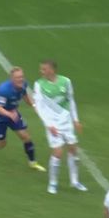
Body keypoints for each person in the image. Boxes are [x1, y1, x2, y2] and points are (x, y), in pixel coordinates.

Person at [33, 60, 87, 194]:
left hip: (66, 121)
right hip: (52, 124)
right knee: (57, 152)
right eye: (41, 69)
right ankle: (53, 183)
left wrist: (76, 120)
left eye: (44, 69)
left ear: (52, 70)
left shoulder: (66, 82)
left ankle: (75, 181)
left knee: (73, 150)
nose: (41, 72)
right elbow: (39, 107)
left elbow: (71, 101)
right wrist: (48, 125)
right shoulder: (39, 85)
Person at [0, 66, 46, 172]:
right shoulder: (4, 90)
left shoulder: (23, 84)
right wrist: (9, 114)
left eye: (22, 76)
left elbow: (26, 97)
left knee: (26, 137)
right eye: (18, 77)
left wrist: (35, 107)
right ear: (12, 79)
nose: (21, 79)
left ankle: (32, 163)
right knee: (1, 144)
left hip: (12, 113)